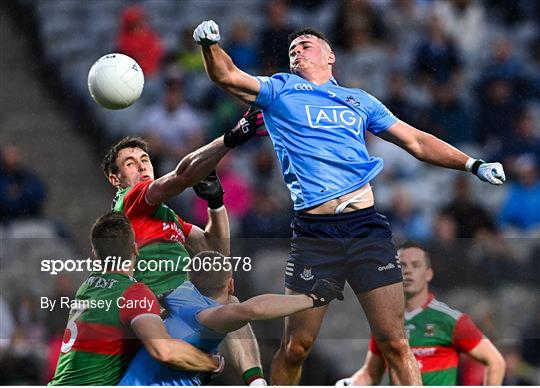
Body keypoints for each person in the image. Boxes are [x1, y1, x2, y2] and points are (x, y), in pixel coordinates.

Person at [192, 20, 506, 385]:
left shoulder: (359, 100)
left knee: (395, 343)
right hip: (314, 232)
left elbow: (416, 141)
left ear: (330, 56)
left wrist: (472, 163)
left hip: (365, 227)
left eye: (306, 44)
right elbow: (227, 76)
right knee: (296, 346)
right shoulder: (279, 89)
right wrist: (209, 45)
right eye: (292, 48)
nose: (297, 50)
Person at [102, 111, 268, 385]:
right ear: (115, 179)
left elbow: (214, 250)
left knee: (230, 303)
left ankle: (257, 382)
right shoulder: (131, 200)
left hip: (184, 302)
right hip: (160, 304)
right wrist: (230, 139)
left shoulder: (166, 216)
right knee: (233, 307)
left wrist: (216, 204)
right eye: (131, 164)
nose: (143, 167)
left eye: (145, 160)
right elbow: (181, 177)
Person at [120, 251, 343, 386]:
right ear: (231, 284)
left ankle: (256, 382)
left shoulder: (178, 293)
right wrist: (313, 298)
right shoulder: (206, 316)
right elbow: (251, 310)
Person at [49, 212, 220, 385]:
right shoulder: (134, 293)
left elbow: (114, 324)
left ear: (95, 252)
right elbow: (164, 351)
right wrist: (211, 363)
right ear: (135, 249)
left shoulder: (87, 286)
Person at [335, 241, 506, 386]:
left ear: (428, 274)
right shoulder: (384, 322)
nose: (407, 271)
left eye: (415, 265)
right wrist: (348, 384)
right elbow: (371, 374)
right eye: (401, 265)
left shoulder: (450, 320)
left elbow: (496, 362)